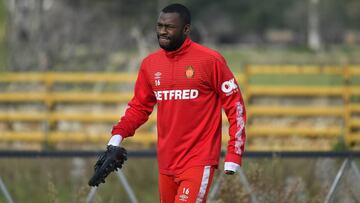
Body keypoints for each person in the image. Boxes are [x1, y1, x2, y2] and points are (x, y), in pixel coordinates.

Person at [108, 3, 246, 203]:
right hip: (166, 163)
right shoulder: (150, 64)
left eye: (169, 27)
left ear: (186, 29)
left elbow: (236, 106)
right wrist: (117, 135)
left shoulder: (210, 61)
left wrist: (234, 153)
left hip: (199, 160)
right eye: (160, 26)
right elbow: (139, 107)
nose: (162, 31)